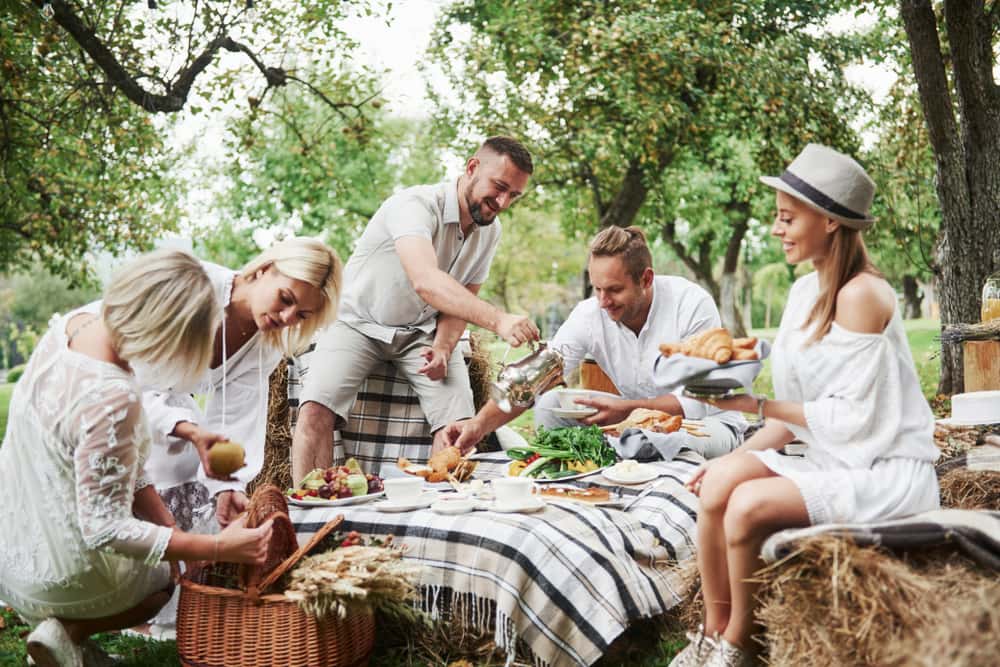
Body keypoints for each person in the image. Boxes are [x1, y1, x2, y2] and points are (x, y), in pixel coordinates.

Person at [669, 144, 941, 667]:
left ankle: (740, 643)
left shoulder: (864, 295)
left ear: (832, 222)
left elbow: (852, 420)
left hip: (883, 467)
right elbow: (798, 411)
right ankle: (709, 630)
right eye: (777, 217)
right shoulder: (800, 295)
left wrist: (756, 402)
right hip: (831, 452)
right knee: (719, 484)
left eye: (788, 218)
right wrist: (733, 454)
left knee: (747, 506)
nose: (777, 229)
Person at [0, 249, 274, 667]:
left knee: (167, 552)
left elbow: (116, 466)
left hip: (12, 556)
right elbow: (105, 529)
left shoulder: (70, 333)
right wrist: (216, 547)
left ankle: (69, 643)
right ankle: (71, 630)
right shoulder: (116, 395)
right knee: (163, 584)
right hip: (60, 579)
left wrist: (167, 523)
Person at [292, 136, 540, 484]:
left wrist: (442, 347)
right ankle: (309, 513)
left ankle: (443, 513)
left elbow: (460, 302)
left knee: (458, 427)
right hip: (358, 323)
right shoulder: (414, 205)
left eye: (513, 195)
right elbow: (425, 279)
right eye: (498, 187)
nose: (502, 202)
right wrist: (498, 319)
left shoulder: (490, 231)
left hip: (422, 331)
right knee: (314, 409)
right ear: (472, 168)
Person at [442, 225, 746, 457]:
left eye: (614, 290)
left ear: (646, 279)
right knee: (548, 403)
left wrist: (628, 411)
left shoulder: (691, 304)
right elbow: (532, 380)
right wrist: (477, 426)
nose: (603, 301)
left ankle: (619, 454)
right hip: (632, 421)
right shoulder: (589, 313)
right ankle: (597, 462)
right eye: (596, 288)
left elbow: (697, 403)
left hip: (708, 425)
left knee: (657, 440)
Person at [142, 236, 342, 530]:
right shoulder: (194, 289)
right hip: (102, 397)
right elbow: (131, 382)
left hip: (160, 422)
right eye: (285, 299)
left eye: (301, 315)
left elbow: (235, 416)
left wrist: (227, 484)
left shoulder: (267, 344)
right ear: (264, 269)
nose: (287, 317)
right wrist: (191, 432)